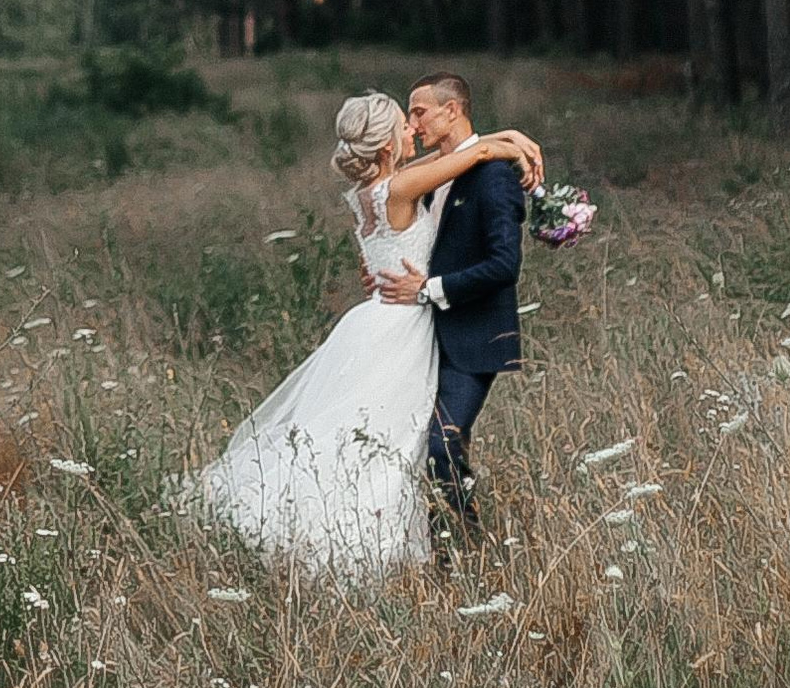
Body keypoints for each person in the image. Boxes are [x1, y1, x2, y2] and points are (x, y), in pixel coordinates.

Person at [189, 87, 543, 575]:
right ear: (384, 147)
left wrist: (508, 139)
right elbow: (478, 151)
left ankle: (422, 539)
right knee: (388, 440)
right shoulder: (400, 187)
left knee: (368, 434)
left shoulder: (367, 194)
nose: (412, 129)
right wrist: (515, 141)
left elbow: (471, 156)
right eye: (405, 123)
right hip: (401, 324)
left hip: (376, 318)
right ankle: (385, 543)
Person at [368, 72, 528, 547]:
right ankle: (433, 551)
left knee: (443, 444)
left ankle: (468, 546)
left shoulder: (494, 173)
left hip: (471, 338)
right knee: (409, 448)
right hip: (418, 340)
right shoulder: (433, 176)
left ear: (452, 110)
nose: (413, 125)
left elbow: (504, 265)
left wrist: (429, 288)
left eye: (419, 112)